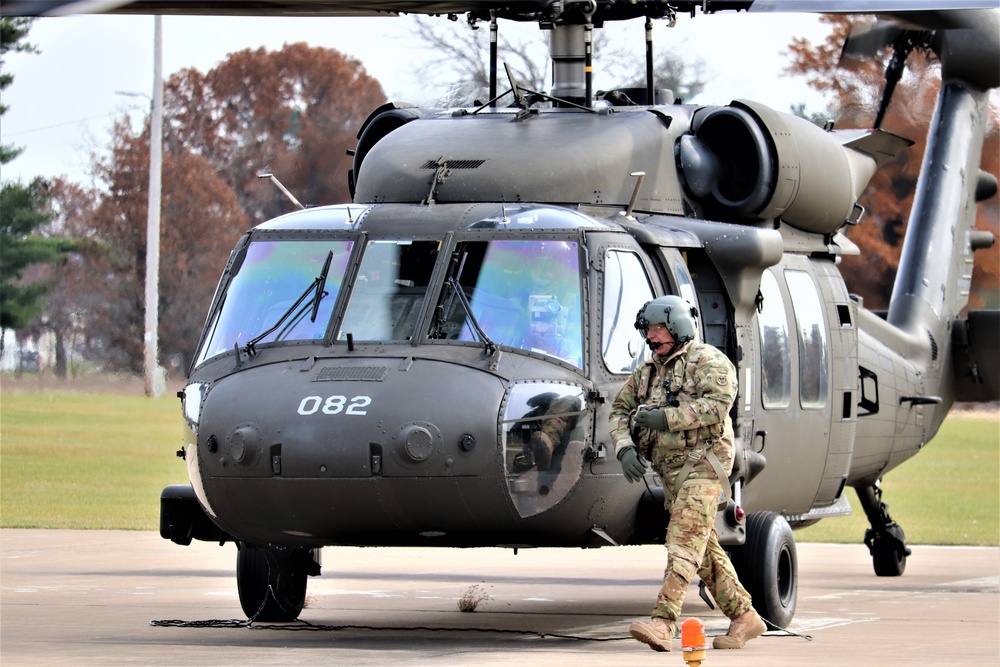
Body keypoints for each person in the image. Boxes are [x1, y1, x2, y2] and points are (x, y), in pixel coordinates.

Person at [609, 295, 766, 652]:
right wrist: (625, 447)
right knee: (702, 547)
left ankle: (664, 623)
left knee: (682, 541)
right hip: (671, 474)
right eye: (647, 330)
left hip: (704, 467)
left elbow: (716, 406)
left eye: (658, 328)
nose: (651, 336)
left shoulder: (709, 362)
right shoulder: (647, 372)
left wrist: (666, 418)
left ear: (677, 326)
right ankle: (744, 616)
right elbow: (619, 410)